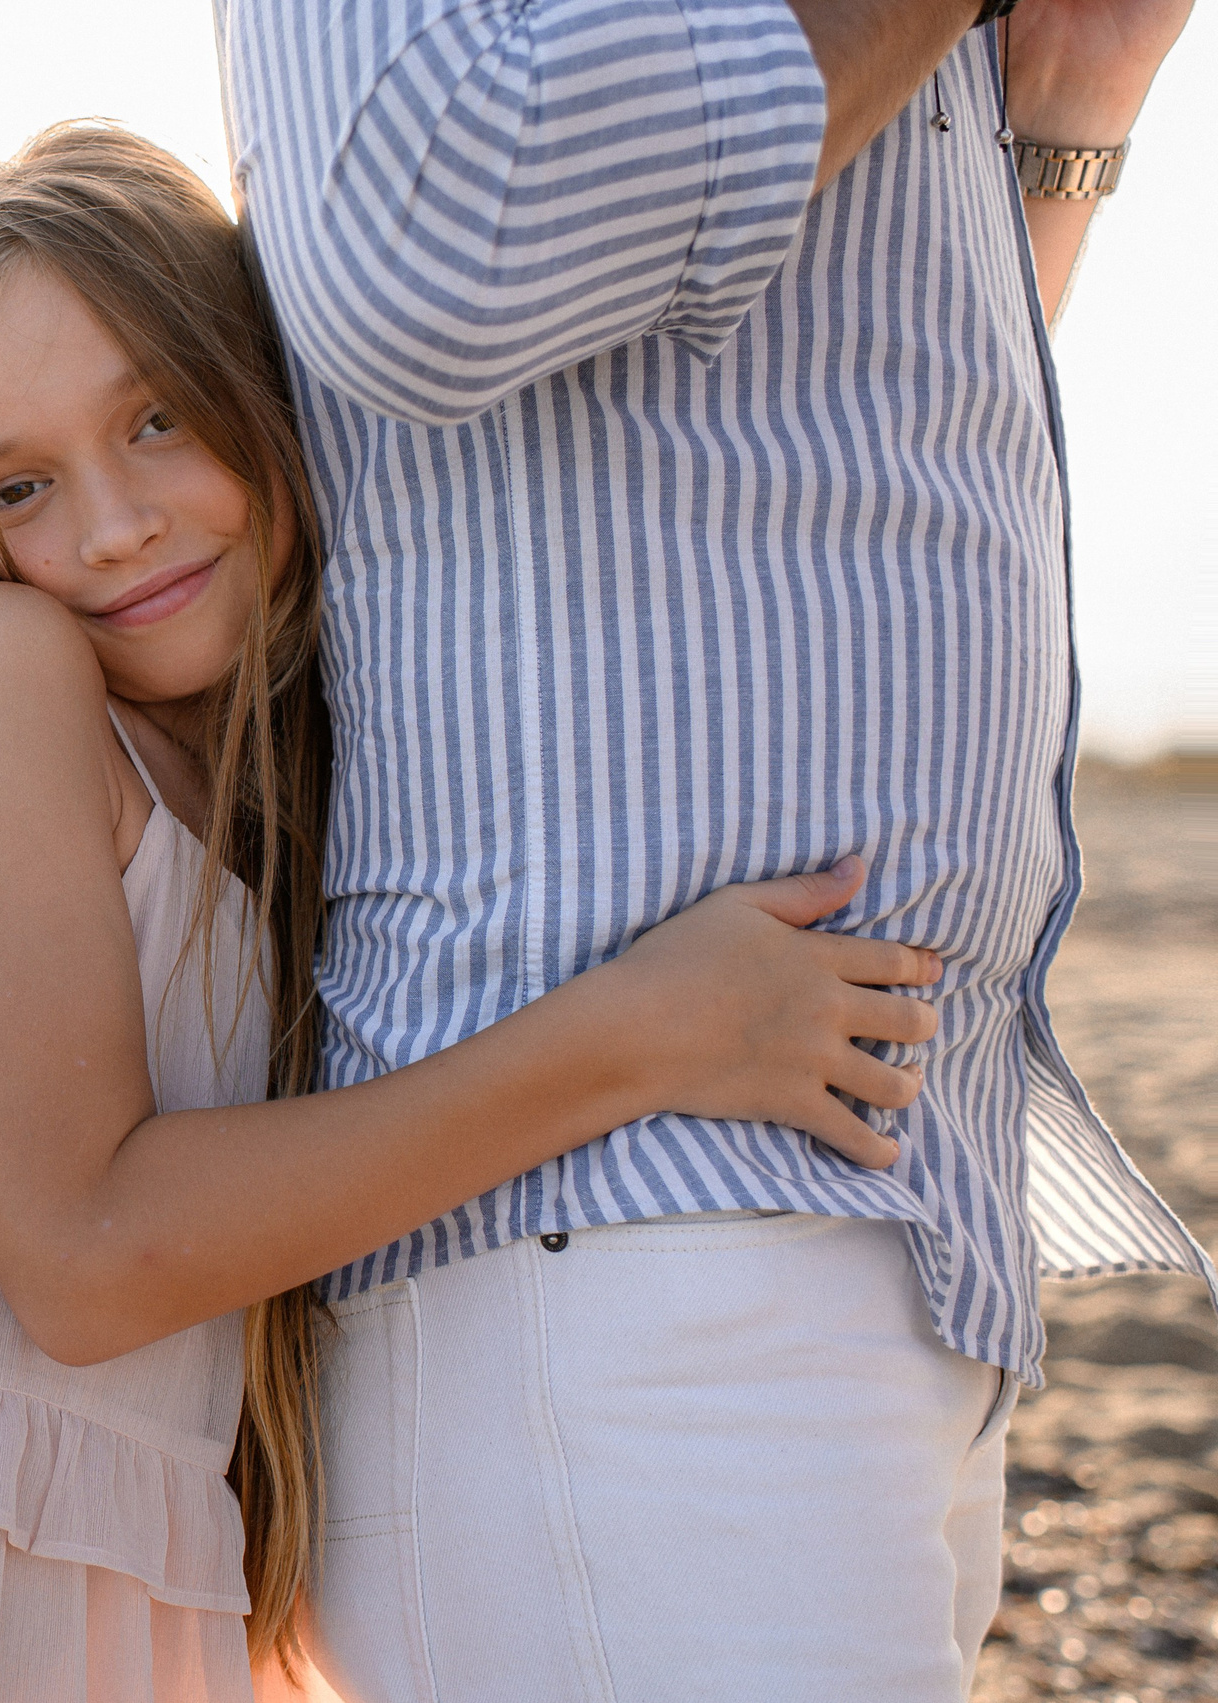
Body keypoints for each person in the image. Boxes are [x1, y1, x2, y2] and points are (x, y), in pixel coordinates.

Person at [0, 123, 946, 1703]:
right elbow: (85, 1259)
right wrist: (642, 1037)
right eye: (22, 483)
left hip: (86, 1599)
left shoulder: (319, 790)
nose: (110, 526)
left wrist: (1062, 136)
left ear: (260, 386)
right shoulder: (5, 670)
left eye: (157, 419)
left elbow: (804, 450)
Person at [215, 0, 1213, 1694]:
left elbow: (838, 415)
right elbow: (432, 227)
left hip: (873, 1222)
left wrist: (1063, 107)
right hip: (630, 1249)